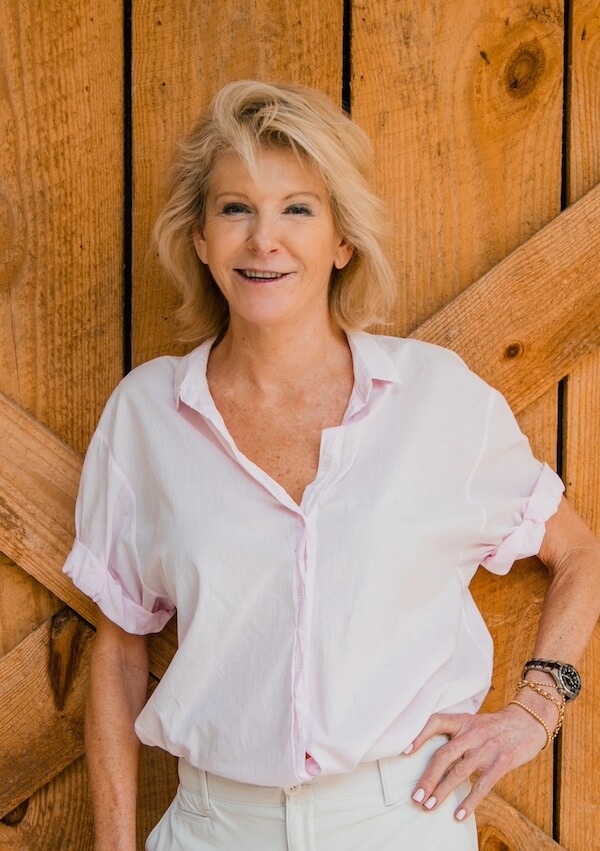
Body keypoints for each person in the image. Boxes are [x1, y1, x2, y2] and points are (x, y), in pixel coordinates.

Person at [63, 80, 600, 851]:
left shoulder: (436, 398)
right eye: (235, 208)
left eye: (298, 209)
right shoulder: (145, 416)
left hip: (401, 818)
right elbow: (118, 655)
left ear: (342, 240)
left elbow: (579, 553)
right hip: (214, 827)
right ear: (201, 238)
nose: (263, 239)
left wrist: (534, 710)